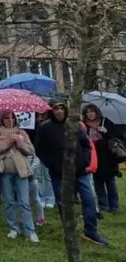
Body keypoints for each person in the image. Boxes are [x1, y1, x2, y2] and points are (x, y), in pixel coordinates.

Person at [35, 99, 107, 245]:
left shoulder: (74, 125)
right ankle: (70, 232)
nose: (59, 111)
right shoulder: (44, 127)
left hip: (80, 170)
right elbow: (40, 149)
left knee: (89, 200)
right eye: (56, 108)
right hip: (58, 172)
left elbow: (86, 144)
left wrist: (85, 161)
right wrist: (52, 164)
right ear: (52, 110)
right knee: (64, 203)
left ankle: (91, 231)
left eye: (62, 108)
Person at [0, 110, 38, 243]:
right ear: (1, 120)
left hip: (21, 171)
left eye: (12, 118)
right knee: (10, 201)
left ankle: (30, 230)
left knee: (24, 201)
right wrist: (8, 142)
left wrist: (20, 143)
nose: (9, 120)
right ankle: (14, 228)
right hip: (5, 172)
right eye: (6, 118)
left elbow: (31, 150)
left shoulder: (21, 132)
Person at [82, 104, 120, 214]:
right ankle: (104, 205)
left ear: (96, 112)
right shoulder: (84, 125)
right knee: (98, 183)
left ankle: (114, 206)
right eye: (88, 112)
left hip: (108, 158)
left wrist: (106, 132)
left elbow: (116, 136)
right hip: (93, 157)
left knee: (110, 182)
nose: (90, 114)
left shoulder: (105, 121)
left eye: (92, 111)